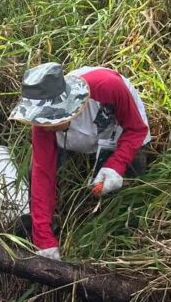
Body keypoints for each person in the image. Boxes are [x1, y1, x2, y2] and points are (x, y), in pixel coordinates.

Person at [9, 62, 150, 261]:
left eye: (50, 119)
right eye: (40, 120)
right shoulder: (42, 128)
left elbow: (136, 129)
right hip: (78, 139)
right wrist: (44, 240)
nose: (45, 127)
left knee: (132, 186)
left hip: (117, 130)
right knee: (35, 174)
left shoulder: (107, 86)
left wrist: (116, 165)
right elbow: (43, 175)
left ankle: (129, 237)